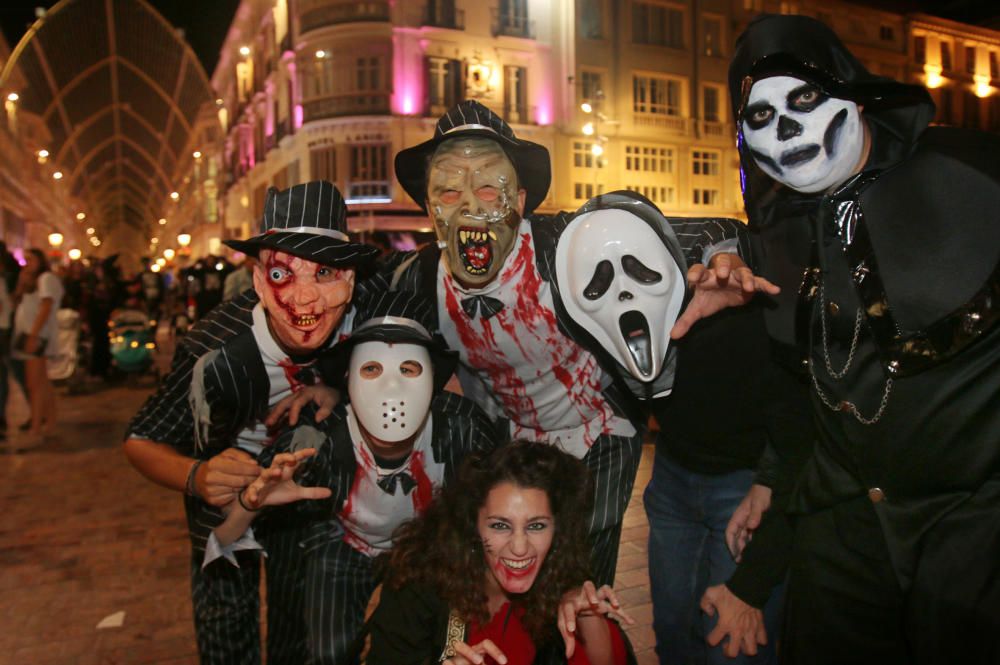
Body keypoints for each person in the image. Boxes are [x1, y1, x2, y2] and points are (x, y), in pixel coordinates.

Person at [702, 14, 1000, 665]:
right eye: (758, 116)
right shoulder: (780, 242)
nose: (783, 129)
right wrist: (766, 502)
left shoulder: (973, 180)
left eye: (804, 98)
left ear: (853, 93)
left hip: (973, 544)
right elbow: (805, 413)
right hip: (841, 546)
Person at [389, 100, 775, 586]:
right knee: (512, 572)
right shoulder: (417, 278)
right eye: (448, 191)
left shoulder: (569, 243)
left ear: (522, 202)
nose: (469, 205)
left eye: (489, 186)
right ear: (429, 208)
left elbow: (712, 228)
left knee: (578, 575)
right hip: (509, 438)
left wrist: (726, 260)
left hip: (599, 428)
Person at [123, 180, 379, 665]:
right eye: (284, 274)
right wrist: (197, 477)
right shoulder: (214, 347)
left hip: (303, 496)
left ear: (351, 281)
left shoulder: (364, 321)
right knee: (225, 629)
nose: (305, 299)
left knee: (297, 626)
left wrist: (339, 387)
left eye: (325, 272)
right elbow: (141, 440)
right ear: (259, 281)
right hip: (222, 502)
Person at [205, 289, 499, 663]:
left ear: (432, 379)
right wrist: (252, 501)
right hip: (349, 544)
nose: (391, 388)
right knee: (329, 652)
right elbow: (223, 536)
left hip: (429, 545)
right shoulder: (316, 439)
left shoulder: (464, 427)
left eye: (408, 369)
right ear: (348, 378)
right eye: (371, 369)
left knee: (439, 643)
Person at [368, 440, 635, 665]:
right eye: (499, 525)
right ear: (474, 525)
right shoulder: (418, 581)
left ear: (557, 529)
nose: (519, 547)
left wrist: (588, 616)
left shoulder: (558, 575)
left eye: (537, 526)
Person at [11, 248, 64, 446]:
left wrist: (34, 335)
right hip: (30, 334)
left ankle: (36, 424)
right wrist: (21, 283)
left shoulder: (46, 278)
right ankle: (50, 421)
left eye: (31, 259)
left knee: (34, 384)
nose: (27, 263)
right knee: (42, 382)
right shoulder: (33, 282)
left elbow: (46, 306)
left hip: (37, 336)